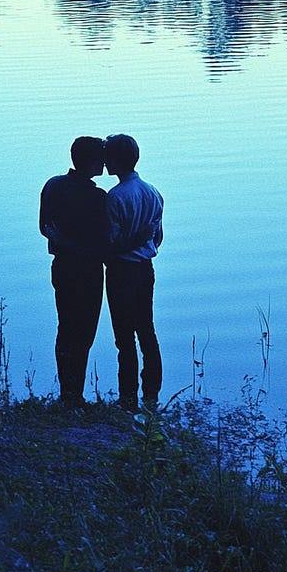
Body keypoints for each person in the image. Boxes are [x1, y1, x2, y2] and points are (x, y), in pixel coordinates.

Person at [39, 136, 108, 408]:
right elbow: (103, 240)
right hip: (89, 271)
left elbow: (45, 227)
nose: (104, 162)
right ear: (91, 162)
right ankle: (73, 394)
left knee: (66, 327)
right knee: (85, 331)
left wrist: (64, 243)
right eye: (101, 158)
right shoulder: (98, 198)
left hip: (63, 267)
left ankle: (68, 391)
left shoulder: (53, 186)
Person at [102, 134, 164, 412]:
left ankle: (128, 398)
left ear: (115, 160)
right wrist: (143, 242)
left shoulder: (115, 198)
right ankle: (152, 395)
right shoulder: (153, 192)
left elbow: (112, 244)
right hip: (145, 269)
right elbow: (158, 238)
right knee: (147, 330)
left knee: (124, 337)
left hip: (121, 272)